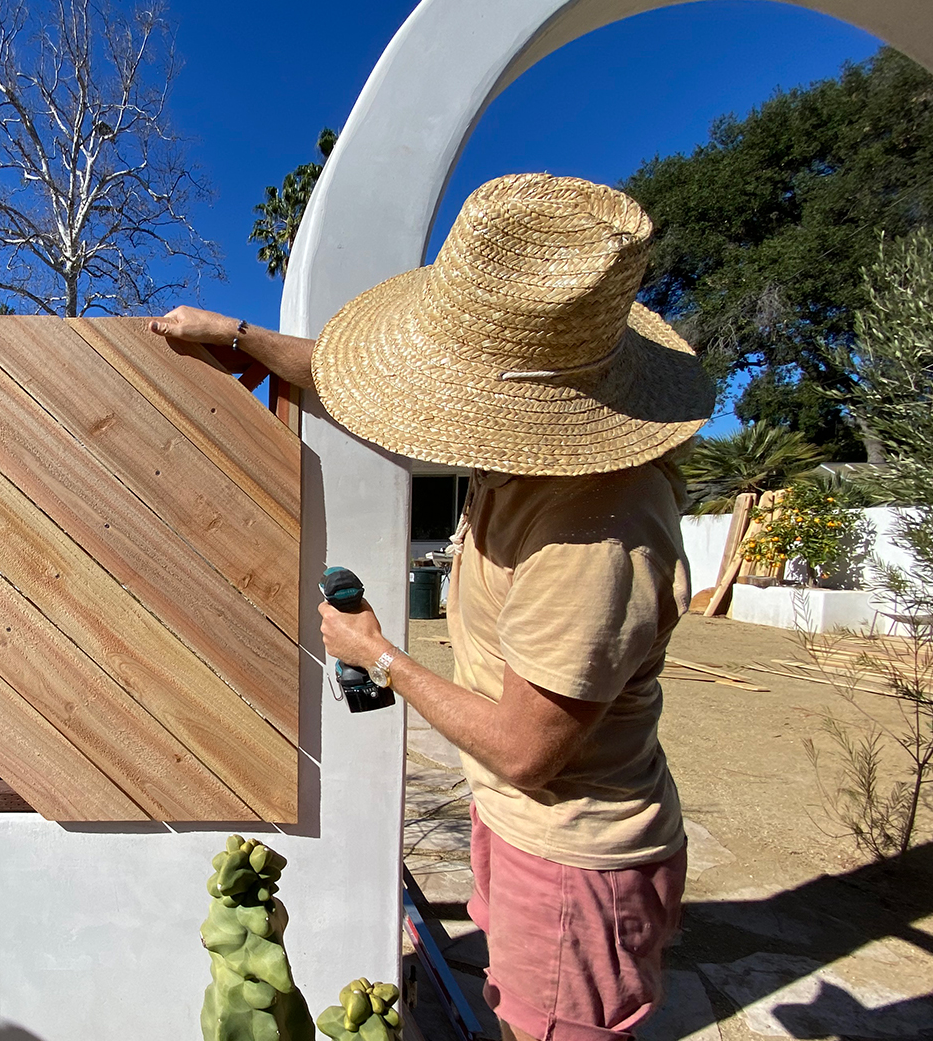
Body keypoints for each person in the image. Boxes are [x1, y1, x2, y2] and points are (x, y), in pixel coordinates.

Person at [152, 173, 714, 1041]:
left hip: (572, 855)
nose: (437, 410)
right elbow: (369, 395)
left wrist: (379, 655)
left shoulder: (592, 531)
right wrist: (240, 337)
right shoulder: (534, 451)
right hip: (523, 830)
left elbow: (529, 752)